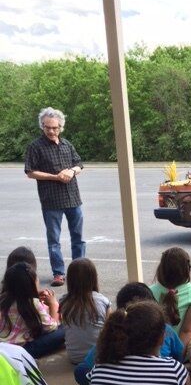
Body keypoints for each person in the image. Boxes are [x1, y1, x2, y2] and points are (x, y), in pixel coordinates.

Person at [74, 282, 184, 385]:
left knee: (80, 369)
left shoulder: (112, 332)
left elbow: (91, 360)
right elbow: (179, 352)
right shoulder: (165, 329)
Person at [24, 107, 85, 287]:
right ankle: (59, 273)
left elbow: (79, 164)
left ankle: (79, 270)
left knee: (78, 237)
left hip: (73, 198)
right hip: (51, 201)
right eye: (47, 127)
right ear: (42, 127)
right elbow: (30, 172)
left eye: (55, 128)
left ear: (61, 127)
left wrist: (71, 171)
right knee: (54, 241)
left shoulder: (67, 145)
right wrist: (55, 176)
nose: (51, 131)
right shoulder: (35, 147)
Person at [149, 247, 191, 366]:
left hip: (152, 350)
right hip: (176, 352)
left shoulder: (149, 291)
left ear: (161, 269)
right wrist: (177, 361)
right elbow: (187, 331)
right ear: (187, 269)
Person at [0, 262, 64, 358]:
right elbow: (52, 328)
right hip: (22, 351)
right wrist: (53, 304)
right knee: (64, 330)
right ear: (32, 283)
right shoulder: (33, 303)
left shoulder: (3, 299)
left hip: (3, 348)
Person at [59, 258, 111, 364]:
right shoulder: (102, 301)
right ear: (94, 279)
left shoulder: (63, 301)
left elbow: (63, 325)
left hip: (74, 357)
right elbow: (111, 328)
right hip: (99, 357)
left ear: (69, 280)